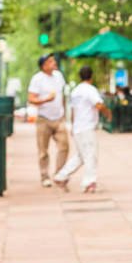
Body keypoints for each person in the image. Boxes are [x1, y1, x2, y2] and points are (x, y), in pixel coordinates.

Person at [54, 66, 111, 193]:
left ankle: (61, 175)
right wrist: (107, 112)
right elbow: (98, 104)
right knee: (90, 154)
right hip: (87, 127)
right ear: (91, 76)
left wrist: (73, 126)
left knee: (81, 155)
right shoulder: (90, 90)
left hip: (78, 127)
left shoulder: (75, 91)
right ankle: (89, 182)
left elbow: (73, 110)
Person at [27, 54, 69, 188]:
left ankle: (59, 174)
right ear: (44, 65)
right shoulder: (37, 79)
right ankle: (45, 176)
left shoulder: (59, 76)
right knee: (43, 151)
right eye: (50, 61)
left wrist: (64, 112)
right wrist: (46, 100)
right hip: (43, 119)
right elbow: (31, 99)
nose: (54, 62)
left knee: (64, 146)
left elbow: (62, 96)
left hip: (59, 118)